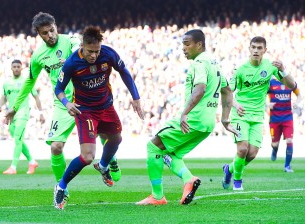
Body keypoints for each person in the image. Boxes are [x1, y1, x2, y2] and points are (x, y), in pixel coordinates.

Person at [4, 13, 121, 184]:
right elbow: (29, 81)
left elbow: (79, 50)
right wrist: (14, 107)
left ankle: (110, 160)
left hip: (86, 100)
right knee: (55, 147)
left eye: (52, 30)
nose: (50, 35)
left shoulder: (71, 40)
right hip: (63, 105)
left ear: (56, 26)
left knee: (106, 133)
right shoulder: (38, 56)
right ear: (38, 33)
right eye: (45, 33)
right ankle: (60, 187)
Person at [136, 29, 238, 206]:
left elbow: (200, 89)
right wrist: (225, 119)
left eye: (187, 44)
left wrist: (184, 113)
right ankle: (188, 179)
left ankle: (157, 196)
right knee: (170, 153)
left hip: (194, 118)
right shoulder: (214, 63)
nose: (183, 48)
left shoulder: (199, 63)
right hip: (206, 123)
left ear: (199, 44)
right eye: (182, 44)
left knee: (153, 146)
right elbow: (227, 91)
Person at [53, 26, 144, 209]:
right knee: (87, 157)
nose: (94, 55)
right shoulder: (71, 63)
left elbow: (124, 72)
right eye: (90, 51)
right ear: (82, 46)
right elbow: (59, 89)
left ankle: (103, 166)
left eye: (97, 51)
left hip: (106, 106)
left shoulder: (108, 54)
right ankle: (61, 186)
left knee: (117, 138)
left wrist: (135, 97)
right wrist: (67, 104)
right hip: (85, 110)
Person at [222, 36, 297, 191]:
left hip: (257, 117)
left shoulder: (270, 67)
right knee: (242, 149)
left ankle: (229, 169)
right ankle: (237, 181)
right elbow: (228, 92)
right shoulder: (240, 70)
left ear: (265, 50)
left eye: (259, 48)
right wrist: (235, 104)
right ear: (249, 48)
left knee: (251, 154)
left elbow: (291, 85)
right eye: (253, 47)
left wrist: (283, 69)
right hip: (240, 115)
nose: (256, 50)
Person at [0, 59, 45, 174]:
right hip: (11, 115)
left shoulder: (26, 81)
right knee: (18, 140)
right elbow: (4, 97)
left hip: (23, 113)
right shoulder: (6, 83)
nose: (16, 68)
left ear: (22, 68)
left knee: (18, 138)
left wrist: (41, 113)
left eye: (19, 66)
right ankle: (32, 161)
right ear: (11, 68)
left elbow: (36, 97)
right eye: (14, 66)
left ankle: (13, 167)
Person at [267, 78, 301, 172]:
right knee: (275, 144)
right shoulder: (271, 83)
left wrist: (296, 103)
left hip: (287, 117)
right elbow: (260, 95)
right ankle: (275, 149)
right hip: (274, 118)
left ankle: (287, 166)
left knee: (289, 140)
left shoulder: (290, 82)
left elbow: (299, 95)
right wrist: (267, 104)